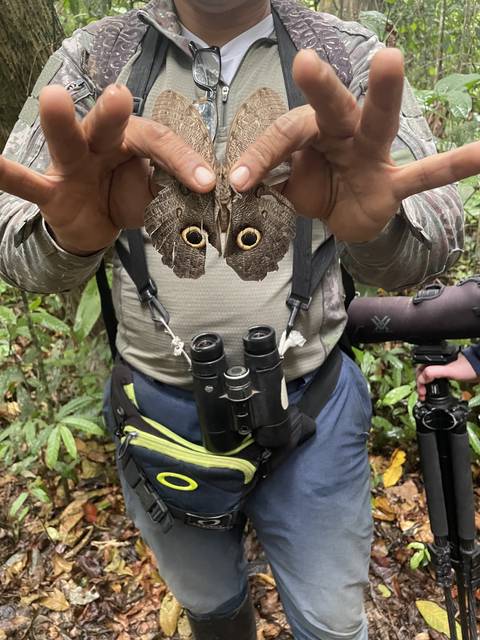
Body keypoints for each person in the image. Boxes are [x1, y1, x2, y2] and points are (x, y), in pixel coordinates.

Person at [0, 0, 478, 638]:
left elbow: (432, 237)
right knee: (209, 604)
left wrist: (380, 230)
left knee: (333, 620)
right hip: (157, 411)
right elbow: (18, 250)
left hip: (313, 403)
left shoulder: (342, 54)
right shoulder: (94, 61)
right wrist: (67, 240)